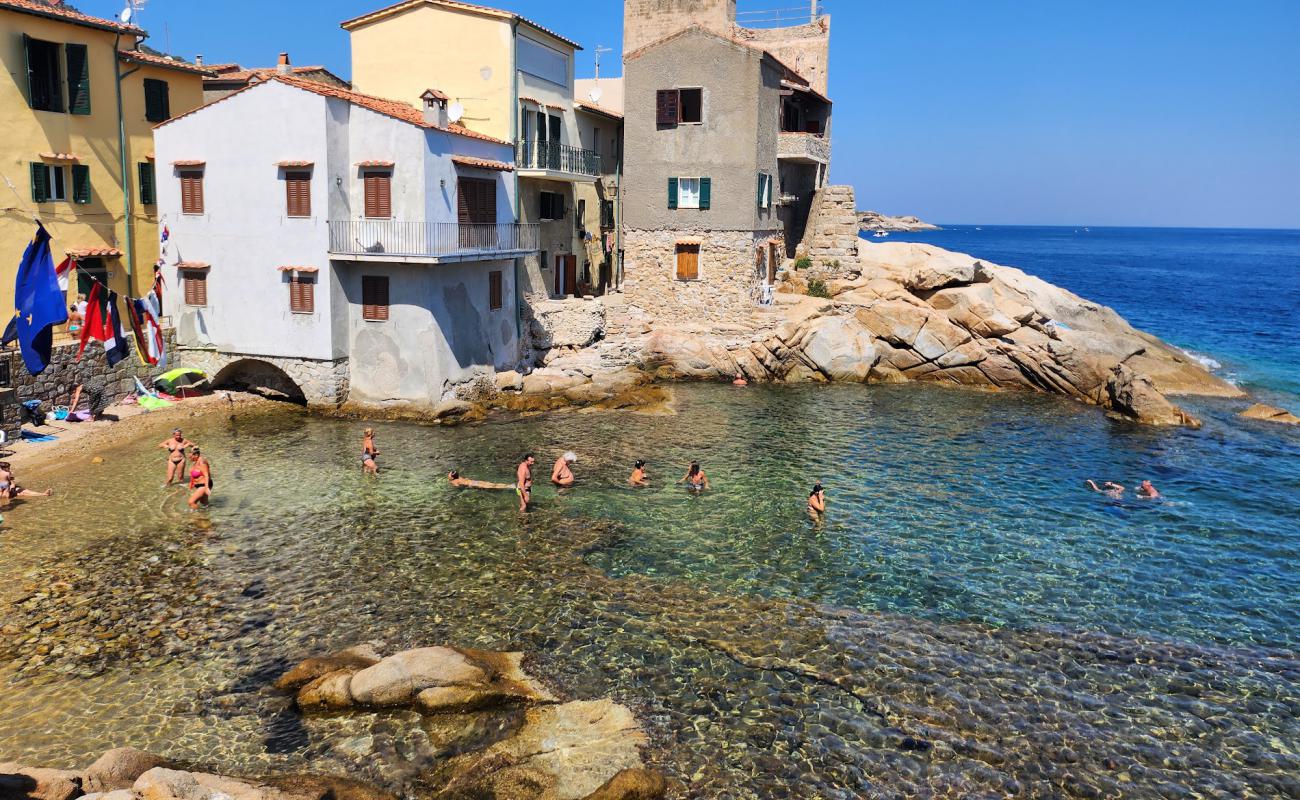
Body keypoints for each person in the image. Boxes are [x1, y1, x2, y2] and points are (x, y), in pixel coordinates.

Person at [448, 471, 514, 490]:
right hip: (475, 481)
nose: (448, 475)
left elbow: (457, 487)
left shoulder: (454, 481)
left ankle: (510, 487)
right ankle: (509, 485)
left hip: (473, 484)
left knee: (492, 486)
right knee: (492, 484)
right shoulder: (459, 477)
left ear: (452, 477)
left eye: (449, 475)